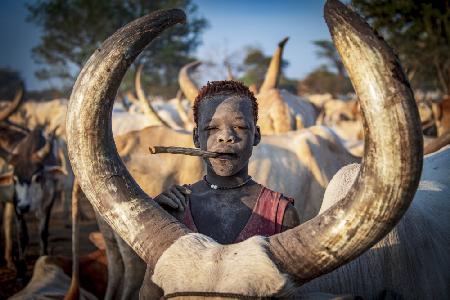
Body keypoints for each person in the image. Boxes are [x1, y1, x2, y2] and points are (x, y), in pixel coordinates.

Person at [154, 80, 300, 244]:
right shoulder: (174, 208)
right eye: (211, 128)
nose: (226, 137)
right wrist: (154, 216)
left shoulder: (280, 214)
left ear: (256, 135)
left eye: (239, 126)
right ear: (196, 138)